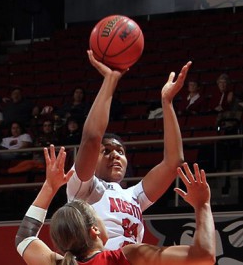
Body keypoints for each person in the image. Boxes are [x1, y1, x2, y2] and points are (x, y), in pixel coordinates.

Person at [67, 50, 190, 249]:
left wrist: (167, 102)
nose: (115, 154)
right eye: (106, 151)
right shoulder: (82, 188)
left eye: (121, 152)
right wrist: (110, 80)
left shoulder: (134, 196)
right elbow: (91, 138)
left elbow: (173, 162)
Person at [15, 146, 216, 265]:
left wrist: (49, 187)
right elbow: (205, 256)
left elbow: (25, 237)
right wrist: (203, 205)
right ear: (94, 229)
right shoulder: (125, 256)